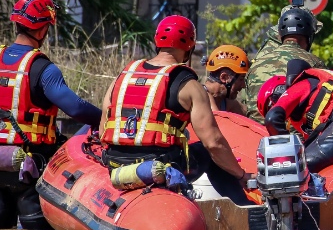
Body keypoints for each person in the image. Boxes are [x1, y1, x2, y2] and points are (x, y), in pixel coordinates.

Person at [0, 0, 102, 230]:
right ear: (42, 30)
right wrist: (105, 118)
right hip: (31, 166)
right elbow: (75, 107)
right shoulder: (43, 69)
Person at [98, 15, 252, 202]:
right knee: (208, 153)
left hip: (115, 165)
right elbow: (214, 143)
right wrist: (241, 175)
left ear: (157, 42)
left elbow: (103, 128)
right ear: (190, 47)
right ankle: (245, 207)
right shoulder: (189, 85)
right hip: (161, 167)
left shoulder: (123, 76)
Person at [239, 2, 327, 124]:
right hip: (293, 134)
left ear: (280, 34)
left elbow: (246, 102)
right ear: (309, 36)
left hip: (256, 132)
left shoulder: (257, 63)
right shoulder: (315, 64)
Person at [202, 44, 250, 115]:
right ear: (224, 77)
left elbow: (252, 115)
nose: (244, 85)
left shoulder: (225, 102)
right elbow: (217, 119)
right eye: (241, 79)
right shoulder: (200, 97)